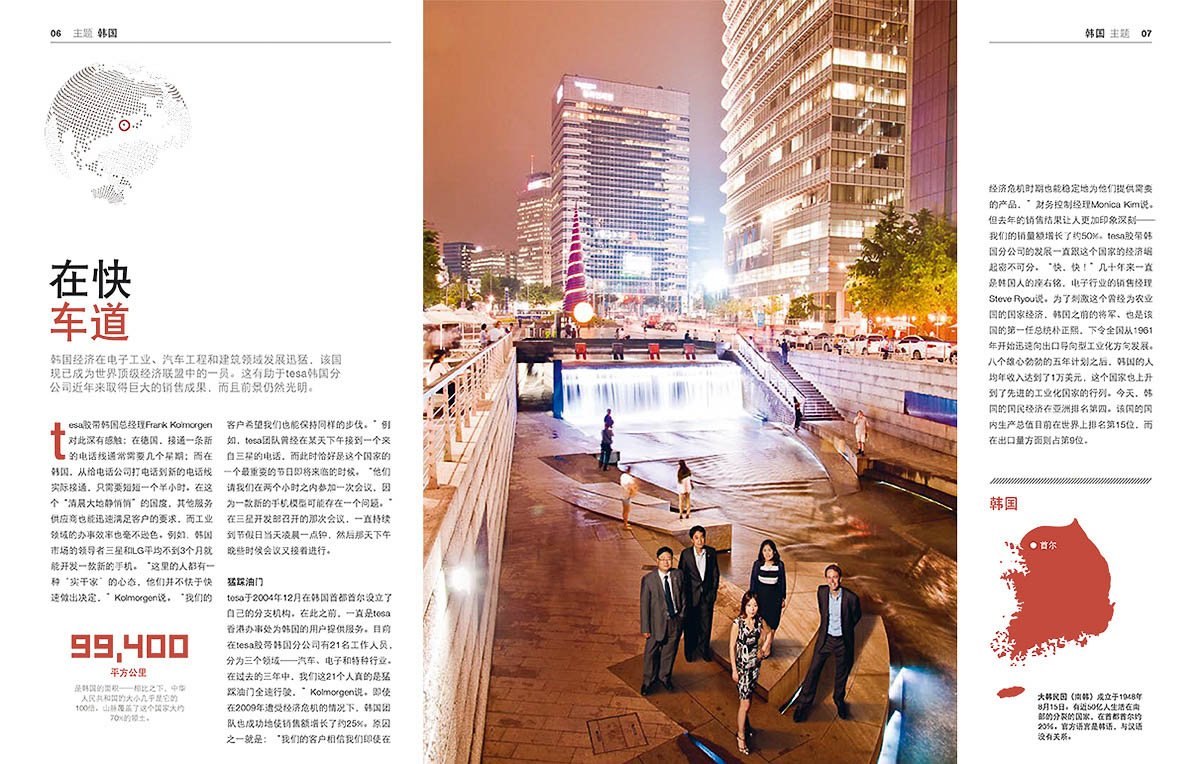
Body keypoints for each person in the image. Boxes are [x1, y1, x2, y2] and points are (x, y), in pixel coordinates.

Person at [791, 564, 862, 722]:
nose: (832, 581)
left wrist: (845, 629)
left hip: (842, 642)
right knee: (813, 672)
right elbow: (823, 611)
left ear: (840, 579)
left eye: (835, 577)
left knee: (841, 675)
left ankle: (839, 701)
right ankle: (803, 706)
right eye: (829, 578)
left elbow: (856, 616)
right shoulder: (821, 592)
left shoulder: (851, 598)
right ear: (826, 579)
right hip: (826, 639)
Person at [730, 591, 772, 755]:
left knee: (747, 700)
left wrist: (763, 649)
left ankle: (745, 726)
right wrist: (734, 669)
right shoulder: (737, 623)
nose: (752, 609)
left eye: (755, 605)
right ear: (744, 606)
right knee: (745, 704)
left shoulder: (760, 621)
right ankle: (741, 736)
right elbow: (731, 648)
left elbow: (769, 633)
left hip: (755, 667)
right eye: (749, 605)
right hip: (741, 669)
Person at [640, 546, 686, 695]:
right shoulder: (649, 580)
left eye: (669, 559)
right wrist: (645, 628)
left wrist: (681, 619)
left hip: (674, 621)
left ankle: (664, 677)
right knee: (650, 653)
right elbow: (644, 605)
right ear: (657, 560)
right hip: (656, 624)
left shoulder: (678, 575)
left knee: (669, 652)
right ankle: (648, 681)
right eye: (663, 559)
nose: (666, 562)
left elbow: (683, 598)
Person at [679, 525, 720, 662]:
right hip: (691, 597)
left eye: (702, 537)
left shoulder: (711, 552)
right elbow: (682, 576)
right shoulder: (686, 555)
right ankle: (689, 652)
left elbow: (715, 574)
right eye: (696, 538)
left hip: (706, 597)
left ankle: (704, 650)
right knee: (690, 625)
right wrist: (683, 596)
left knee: (706, 625)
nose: (700, 540)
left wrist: (713, 594)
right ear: (692, 539)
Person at [749, 539, 786, 635]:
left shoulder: (779, 565)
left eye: (769, 550)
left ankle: (769, 646)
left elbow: (782, 582)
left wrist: (783, 598)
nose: (767, 553)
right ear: (761, 552)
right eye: (764, 550)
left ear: (774, 551)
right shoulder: (758, 564)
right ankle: (762, 646)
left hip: (774, 601)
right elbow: (753, 581)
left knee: (773, 625)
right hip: (761, 600)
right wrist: (752, 597)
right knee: (761, 624)